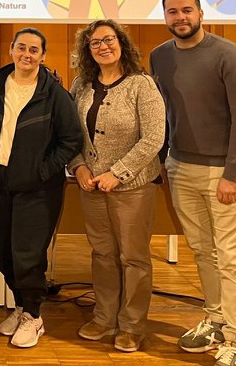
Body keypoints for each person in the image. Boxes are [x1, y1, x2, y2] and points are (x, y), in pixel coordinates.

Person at [150, 0, 236, 366]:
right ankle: (215, 319)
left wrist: (232, 174)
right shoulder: (160, 57)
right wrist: (163, 160)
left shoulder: (229, 56)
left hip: (225, 172)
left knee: (233, 257)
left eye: (186, 10)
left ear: (200, 13)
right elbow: (163, 113)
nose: (180, 17)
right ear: (165, 17)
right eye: (172, 12)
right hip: (181, 167)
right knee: (203, 252)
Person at [0, 27, 83, 348]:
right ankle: (22, 306)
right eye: (21, 47)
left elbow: (71, 140)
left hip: (37, 188)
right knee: (3, 252)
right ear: (11, 49)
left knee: (28, 254)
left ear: (42, 56)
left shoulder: (54, 95)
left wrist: (43, 170)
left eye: (34, 50)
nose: (27, 54)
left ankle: (34, 316)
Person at [69, 19, 165, 353]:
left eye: (108, 39)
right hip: (91, 186)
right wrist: (78, 166)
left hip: (133, 186)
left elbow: (154, 137)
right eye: (95, 42)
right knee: (103, 254)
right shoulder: (81, 85)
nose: (103, 46)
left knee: (133, 258)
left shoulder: (142, 85)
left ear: (121, 43)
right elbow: (70, 133)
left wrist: (118, 173)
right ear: (88, 49)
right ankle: (104, 318)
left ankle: (132, 326)